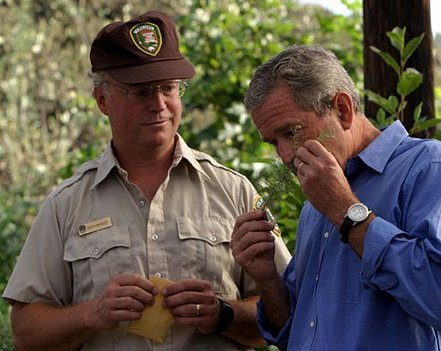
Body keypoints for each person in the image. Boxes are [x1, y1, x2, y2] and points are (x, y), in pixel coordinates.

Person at [2, 10, 291, 351]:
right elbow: (25, 334)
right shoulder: (66, 204)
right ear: (101, 100)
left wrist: (222, 314)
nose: (159, 105)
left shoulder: (234, 191)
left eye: (168, 88)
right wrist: (93, 314)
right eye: (139, 92)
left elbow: (285, 315)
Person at [230, 45, 441, 350]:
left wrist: (345, 211)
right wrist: (266, 279)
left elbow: (440, 297)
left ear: (342, 109)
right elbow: (297, 331)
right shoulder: (315, 208)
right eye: (274, 142)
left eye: (292, 132)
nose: (286, 155)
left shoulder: (434, 168)